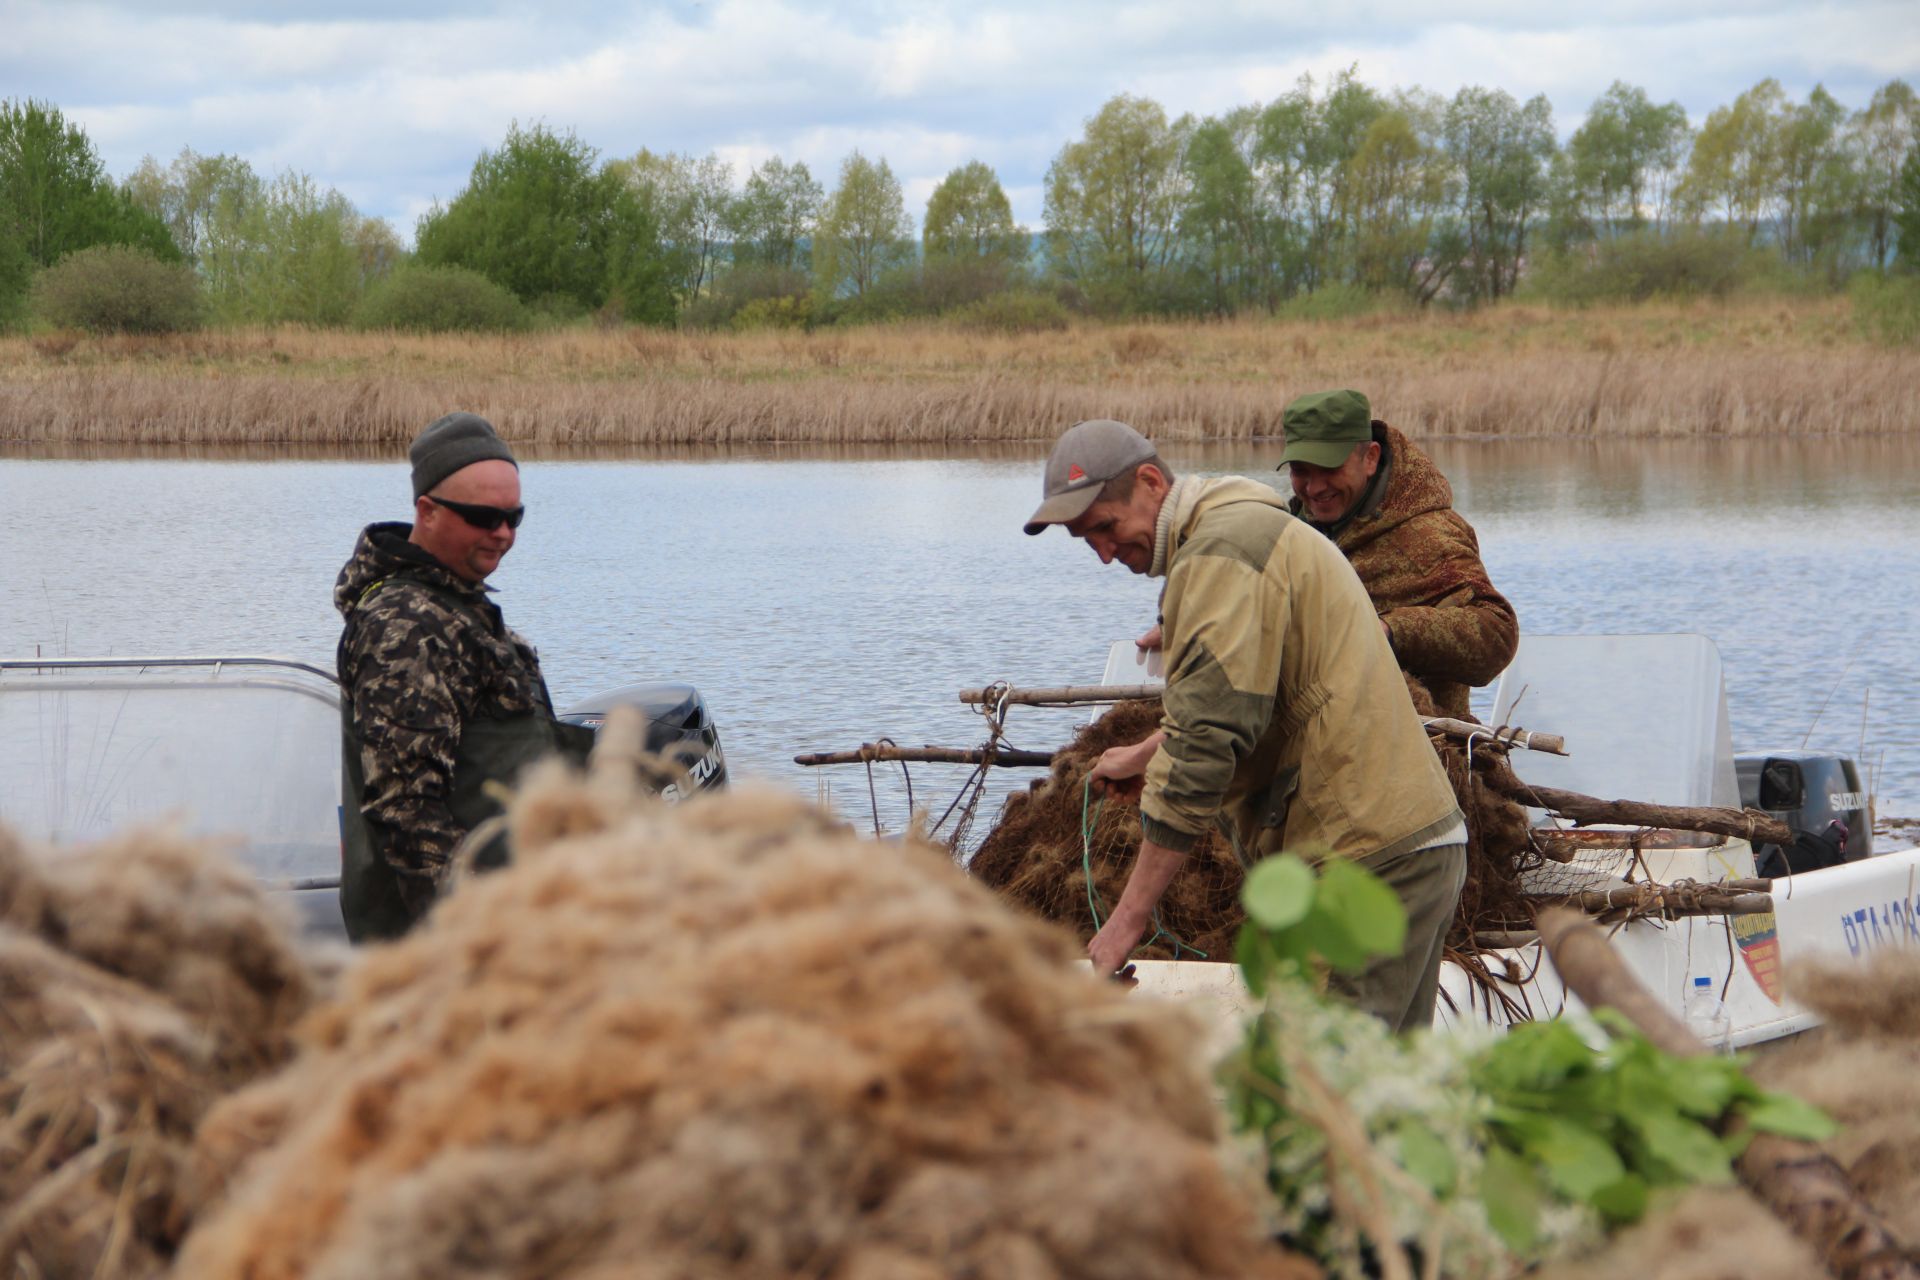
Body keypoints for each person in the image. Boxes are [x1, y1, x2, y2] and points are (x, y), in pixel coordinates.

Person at [1025, 419, 1466, 1030]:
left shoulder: (1221, 554)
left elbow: (1202, 751)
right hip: (1409, 849)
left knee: (1321, 1101)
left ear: (1151, 483)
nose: (1102, 552)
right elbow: (1246, 700)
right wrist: (1149, 751)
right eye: (1083, 540)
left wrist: (1124, 925)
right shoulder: (1237, 529)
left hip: (1363, 861)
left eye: (1104, 526)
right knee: (1382, 1098)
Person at [334, 412, 591, 942]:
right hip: (455, 951)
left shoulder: (456, 606)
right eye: (482, 517)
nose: (502, 534)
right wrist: (489, 936)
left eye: (514, 517)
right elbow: (405, 812)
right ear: (427, 511)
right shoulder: (405, 628)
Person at [1278, 389, 1517, 720]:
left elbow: (1496, 635)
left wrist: (1392, 632)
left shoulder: (1429, 538)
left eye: (1329, 468)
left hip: (1419, 752)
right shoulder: (1289, 533)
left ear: (1371, 458)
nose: (1314, 488)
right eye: (1301, 471)